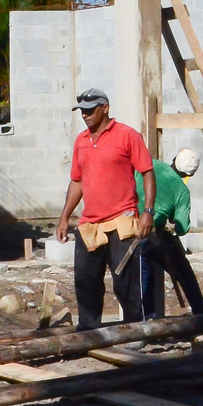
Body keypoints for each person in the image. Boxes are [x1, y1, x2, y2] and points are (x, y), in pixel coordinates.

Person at [55, 87, 155, 329]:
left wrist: (147, 212)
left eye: (90, 110)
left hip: (122, 220)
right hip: (90, 224)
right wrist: (64, 218)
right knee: (86, 282)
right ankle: (88, 331)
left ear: (105, 108)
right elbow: (77, 181)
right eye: (82, 111)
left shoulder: (127, 135)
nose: (85, 115)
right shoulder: (81, 141)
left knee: (126, 283)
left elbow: (147, 173)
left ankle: (135, 331)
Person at [136, 147, 203, 318]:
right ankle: (202, 314)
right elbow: (182, 228)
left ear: (174, 158)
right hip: (153, 233)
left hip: (130, 226)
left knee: (143, 279)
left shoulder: (151, 165)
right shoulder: (182, 191)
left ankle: (147, 319)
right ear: (189, 175)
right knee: (185, 274)